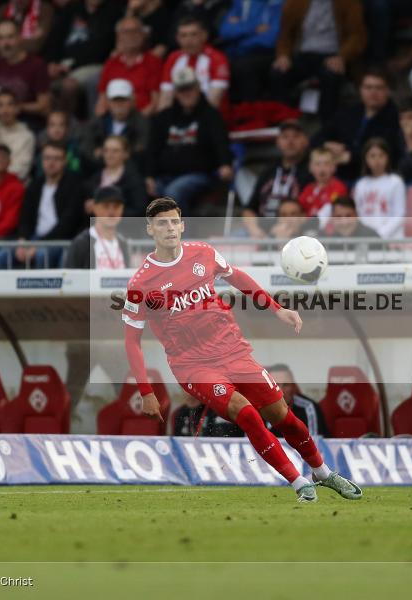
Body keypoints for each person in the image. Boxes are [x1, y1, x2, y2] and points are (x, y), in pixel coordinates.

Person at [122, 196, 362, 502]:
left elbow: (237, 277)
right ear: (150, 230)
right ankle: (299, 482)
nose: (168, 228)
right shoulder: (141, 283)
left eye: (173, 221)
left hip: (233, 352)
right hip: (193, 365)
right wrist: (145, 391)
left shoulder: (203, 254)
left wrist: (277, 309)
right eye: (161, 223)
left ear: (182, 226)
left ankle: (323, 472)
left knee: (282, 416)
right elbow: (132, 340)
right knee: (246, 413)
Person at [145, 67, 233, 215]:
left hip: (199, 175)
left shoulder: (211, 115)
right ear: (176, 93)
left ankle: (179, 237)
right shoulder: (164, 117)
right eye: (181, 89)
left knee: (173, 192)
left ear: (198, 88)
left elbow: (221, 143)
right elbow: (152, 149)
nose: (186, 93)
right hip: (165, 175)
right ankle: (143, 236)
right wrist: (149, 176)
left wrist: (225, 164)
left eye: (190, 88)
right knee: (140, 189)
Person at [0, 141, 85, 269]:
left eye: (56, 159)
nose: (51, 163)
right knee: (0, 257)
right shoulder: (35, 185)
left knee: (42, 255)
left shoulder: (74, 185)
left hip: (61, 240)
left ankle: (42, 290)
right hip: (34, 238)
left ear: (64, 161)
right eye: (47, 158)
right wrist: (22, 241)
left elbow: (67, 225)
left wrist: (37, 245)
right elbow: (25, 218)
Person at [270, 0, 366, 121]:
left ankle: (328, 124)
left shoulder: (348, 3)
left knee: (330, 75)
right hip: (304, 54)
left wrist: (342, 56)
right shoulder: (295, 3)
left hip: (333, 55)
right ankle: (284, 121)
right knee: (278, 73)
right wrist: (283, 55)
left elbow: (357, 36)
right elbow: (285, 35)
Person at [317, 69, 402, 182]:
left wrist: (350, 156)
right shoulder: (349, 112)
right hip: (338, 173)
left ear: (388, 91)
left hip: (373, 177)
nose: (373, 92)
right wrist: (326, 145)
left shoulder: (395, 117)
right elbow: (318, 136)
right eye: (368, 87)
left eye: (378, 88)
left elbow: (386, 147)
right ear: (360, 90)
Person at [44, 0, 124, 117]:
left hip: (93, 65)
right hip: (63, 64)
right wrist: (52, 62)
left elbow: (101, 49)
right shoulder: (72, 8)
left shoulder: (113, 12)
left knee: (68, 85)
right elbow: (55, 38)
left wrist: (70, 66)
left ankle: (66, 125)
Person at [241, 119, 311, 239]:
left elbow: (311, 213)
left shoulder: (312, 171)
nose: (290, 141)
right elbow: (249, 209)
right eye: (285, 137)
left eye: (295, 136)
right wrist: (254, 230)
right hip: (262, 233)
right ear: (277, 142)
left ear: (305, 141)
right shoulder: (269, 171)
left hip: (295, 233)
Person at [0, 18, 50, 125]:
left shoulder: (36, 64)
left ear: (20, 38)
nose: (5, 43)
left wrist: (16, 107)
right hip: (0, 122)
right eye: (0, 38)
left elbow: (44, 105)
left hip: (27, 122)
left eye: (10, 37)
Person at [94, 16, 162, 117]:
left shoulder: (153, 62)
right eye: (126, 32)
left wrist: (137, 123)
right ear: (118, 36)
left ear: (143, 35)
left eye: (136, 31)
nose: (131, 36)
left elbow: (156, 102)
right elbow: (102, 101)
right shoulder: (111, 63)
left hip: (143, 120)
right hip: (114, 120)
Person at [158, 17, 229, 111]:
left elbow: (215, 98)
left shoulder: (217, 58)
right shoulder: (173, 58)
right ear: (177, 38)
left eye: (193, 35)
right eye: (183, 35)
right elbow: (166, 96)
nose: (188, 40)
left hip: (211, 117)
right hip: (181, 117)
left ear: (204, 36)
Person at [217, 0, 281, 103]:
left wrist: (239, 37)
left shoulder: (278, 4)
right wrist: (253, 29)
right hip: (236, 53)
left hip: (266, 53)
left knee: (243, 66)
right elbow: (225, 32)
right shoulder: (241, 3)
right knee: (218, 62)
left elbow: (270, 39)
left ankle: (251, 110)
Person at [82, 79, 149, 170]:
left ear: (132, 101)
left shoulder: (142, 123)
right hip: (99, 171)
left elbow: (141, 151)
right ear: (108, 102)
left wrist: (105, 153)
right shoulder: (97, 123)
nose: (119, 105)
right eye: (115, 100)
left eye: (123, 100)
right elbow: (87, 149)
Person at [64, 185, 129, 269]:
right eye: (105, 206)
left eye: (116, 206)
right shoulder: (81, 244)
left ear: (122, 209)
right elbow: (71, 278)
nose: (111, 212)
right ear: (94, 208)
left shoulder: (123, 243)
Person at [352, 138, 406, 239]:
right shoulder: (361, 184)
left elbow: (399, 214)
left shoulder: (396, 182)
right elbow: (357, 213)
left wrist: (380, 234)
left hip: (391, 238)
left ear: (388, 157)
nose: (377, 160)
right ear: (366, 159)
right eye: (372, 156)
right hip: (365, 238)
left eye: (381, 155)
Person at [86, 135, 147, 221]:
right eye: (106, 150)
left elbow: (139, 211)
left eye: (115, 151)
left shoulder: (134, 180)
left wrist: (108, 211)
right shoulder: (95, 177)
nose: (109, 155)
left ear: (126, 154)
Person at [267, 364, 327, 438]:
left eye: (286, 385)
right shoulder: (259, 409)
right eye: (275, 385)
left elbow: (316, 444)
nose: (281, 390)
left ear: (293, 386)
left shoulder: (309, 408)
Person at [297, 147, 346, 224]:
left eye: (326, 164)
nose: (322, 169)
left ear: (334, 167)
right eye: (317, 164)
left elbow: (333, 210)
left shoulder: (338, 187)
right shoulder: (308, 188)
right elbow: (299, 209)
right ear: (310, 167)